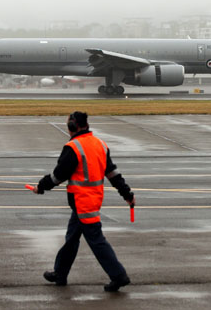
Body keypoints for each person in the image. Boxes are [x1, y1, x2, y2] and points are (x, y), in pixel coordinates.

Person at [31, 111, 135, 292]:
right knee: (71, 238)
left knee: (96, 241)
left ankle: (119, 276)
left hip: (83, 203)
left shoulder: (73, 147)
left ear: (73, 126)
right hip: (91, 201)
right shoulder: (100, 145)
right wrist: (127, 194)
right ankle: (60, 273)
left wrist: (40, 187)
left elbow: (58, 176)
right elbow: (113, 174)